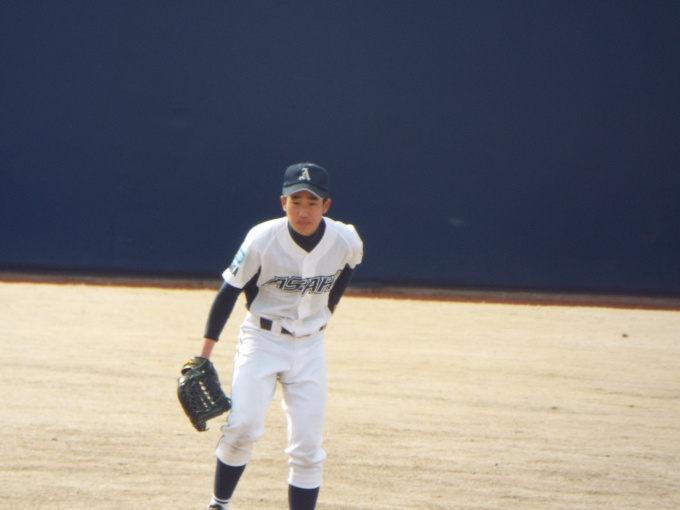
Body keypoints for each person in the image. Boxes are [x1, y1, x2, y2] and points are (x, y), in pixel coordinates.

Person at [198, 163, 363, 510]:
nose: (303, 211)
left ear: (326, 205)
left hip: (310, 346)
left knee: (307, 448)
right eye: (295, 201)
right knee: (242, 427)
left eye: (312, 203)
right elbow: (228, 293)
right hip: (262, 339)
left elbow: (345, 274)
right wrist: (203, 355)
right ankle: (219, 503)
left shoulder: (345, 240)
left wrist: (325, 315)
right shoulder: (262, 239)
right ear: (283, 202)